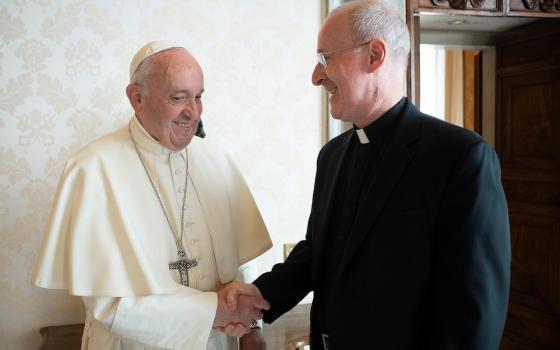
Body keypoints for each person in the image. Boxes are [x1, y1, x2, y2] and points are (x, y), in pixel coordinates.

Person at [224, 1, 511, 349]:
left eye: (325, 59)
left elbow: (474, 315)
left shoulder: (461, 157)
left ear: (374, 55)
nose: (316, 77)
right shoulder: (331, 156)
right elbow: (319, 253)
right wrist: (260, 294)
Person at [32, 41, 272, 350]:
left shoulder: (216, 160)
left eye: (198, 97)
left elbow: (240, 263)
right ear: (136, 97)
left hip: (217, 342)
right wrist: (215, 310)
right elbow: (109, 305)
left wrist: (251, 325)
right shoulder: (91, 169)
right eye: (178, 97)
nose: (193, 112)